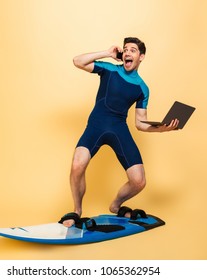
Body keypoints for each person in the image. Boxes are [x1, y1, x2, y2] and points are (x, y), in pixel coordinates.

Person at [61, 37, 179, 227]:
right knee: (77, 166)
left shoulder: (142, 88)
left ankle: (116, 205)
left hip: (118, 129)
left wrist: (164, 129)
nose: (127, 53)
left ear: (141, 57)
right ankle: (77, 210)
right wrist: (107, 53)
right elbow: (78, 61)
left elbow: (140, 123)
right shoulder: (109, 69)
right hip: (96, 125)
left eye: (132, 50)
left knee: (139, 181)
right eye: (125, 50)